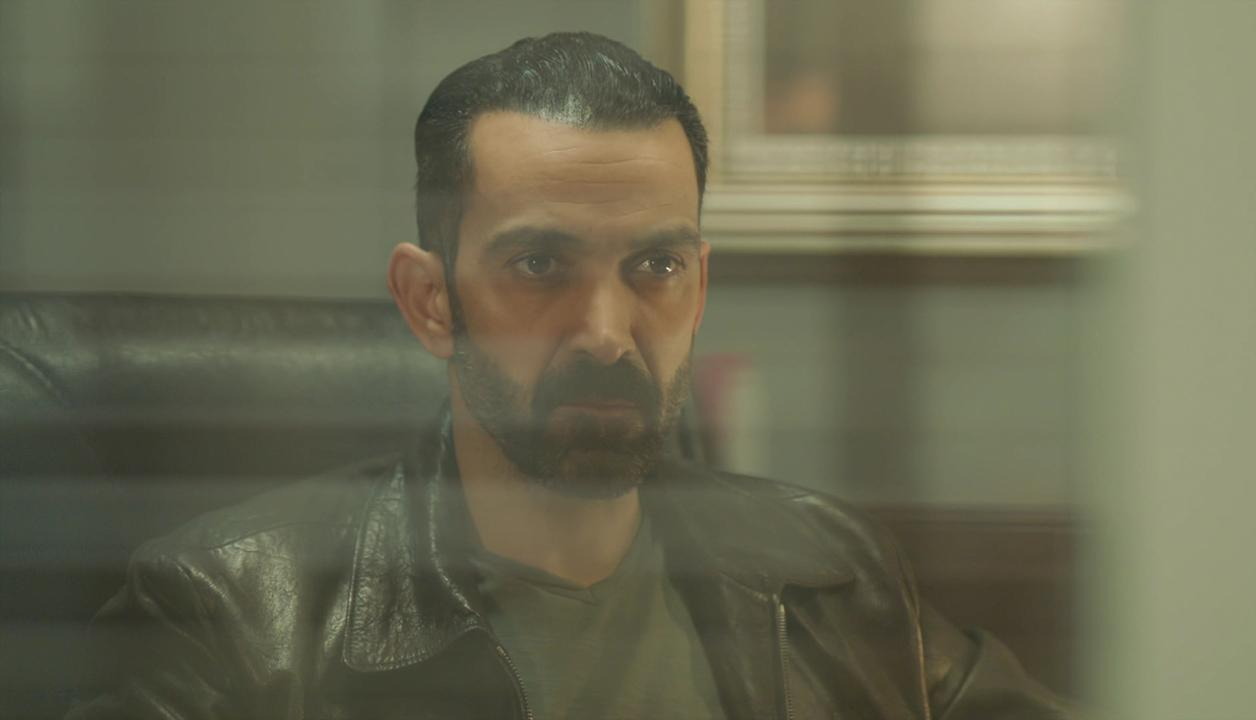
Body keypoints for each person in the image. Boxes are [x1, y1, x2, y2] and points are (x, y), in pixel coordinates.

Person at [68, 32, 1071, 719]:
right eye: (540, 264)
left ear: (699, 289)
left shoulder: (826, 573)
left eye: (656, 267)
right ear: (429, 301)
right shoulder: (235, 616)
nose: (605, 333)